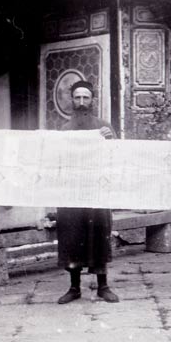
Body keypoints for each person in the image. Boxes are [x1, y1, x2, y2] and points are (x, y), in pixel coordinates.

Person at [56, 80, 119, 304]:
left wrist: (110, 139)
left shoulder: (103, 127)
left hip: (96, 190)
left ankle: (103, 286)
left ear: (92, 100)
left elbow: (116, 155)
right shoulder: (64, 130)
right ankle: (74, 287)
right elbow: (57, 159)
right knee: (72, 236)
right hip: (72, 191)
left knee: (99, 234)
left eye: (86, 97)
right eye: (77, 97)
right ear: (72, 100)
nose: (82, 101)